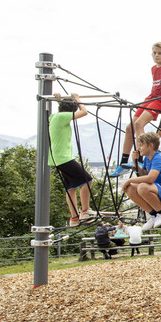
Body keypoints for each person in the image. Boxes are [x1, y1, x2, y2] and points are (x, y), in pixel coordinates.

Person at [110, 42, 161, 177]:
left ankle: (140, 158)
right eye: (155, 53)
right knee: (130, 127)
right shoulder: (153, 69)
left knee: (138, 124)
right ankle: (124, 163)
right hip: (151, 98)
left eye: (160, 53)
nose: (157, 55)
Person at [48, 93, 95, 227]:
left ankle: (74, 218)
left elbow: (64, 111)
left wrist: (59, 101)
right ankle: (85, 211)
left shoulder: (55, 117)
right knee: (87, 180)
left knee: (71, 188)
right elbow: (84, 112)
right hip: (64, 157)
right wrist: (77, 99)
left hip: (58, 158)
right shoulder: (62, 117)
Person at [122, 132, 161, 230]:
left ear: (150, 146)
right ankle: (154, 215)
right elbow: (144, 175)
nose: (139, 148)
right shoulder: (147, 159)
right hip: (160, 191)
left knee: (142, 187)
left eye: (141, 145)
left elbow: (150, 178)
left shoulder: (158, 158)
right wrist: (135, 162)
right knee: (130, 188)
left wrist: (130, 180)